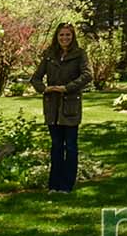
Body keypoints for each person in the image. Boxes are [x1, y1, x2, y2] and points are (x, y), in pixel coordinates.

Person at [30, 22, 91, 193]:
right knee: (56, 145)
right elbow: (35, 79)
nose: (64, 38)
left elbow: (87, 75)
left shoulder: (80, 55)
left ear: (73, 37)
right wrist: (45, 89)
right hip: (52, 106)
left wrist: (67, 88)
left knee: (70, 146)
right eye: (61, 35)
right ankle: (54, 185)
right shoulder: (49, 55)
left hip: (70, 105)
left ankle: (67, 185)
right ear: (57, 37)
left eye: (68, 35)